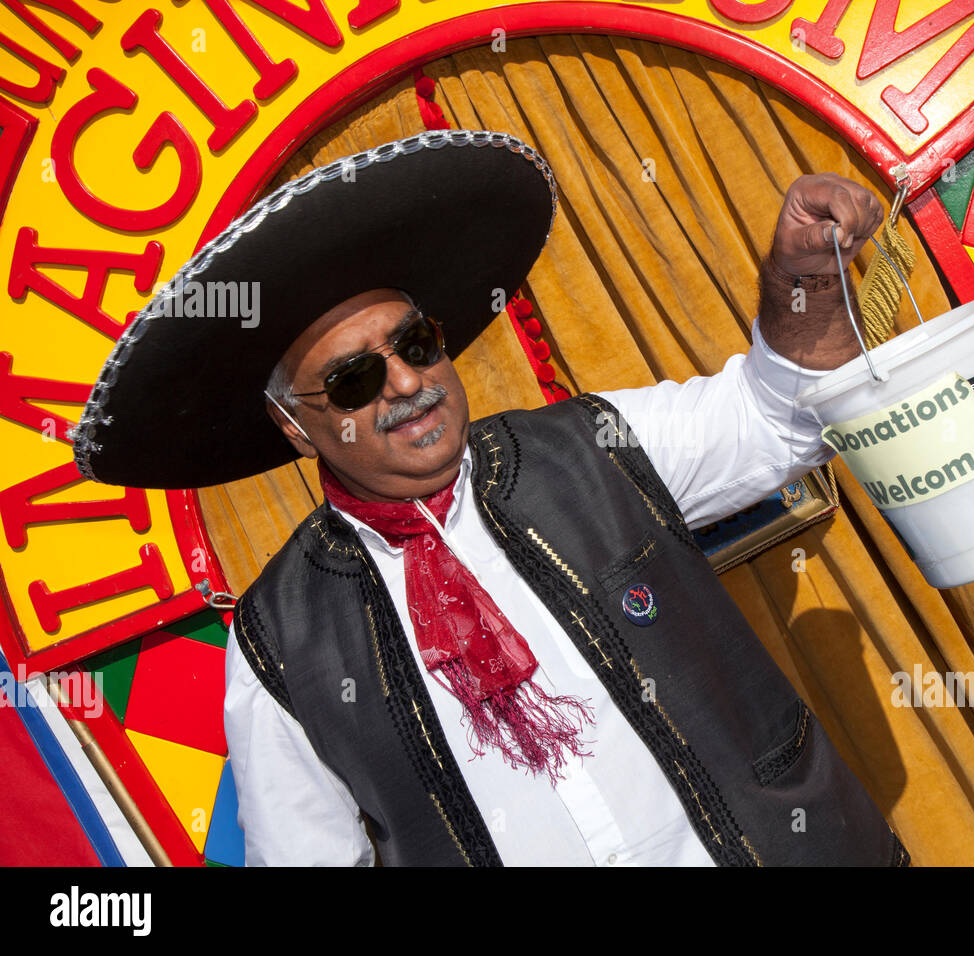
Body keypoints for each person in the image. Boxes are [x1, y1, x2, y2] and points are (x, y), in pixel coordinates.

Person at [71, 128, 908, 867]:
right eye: (356, 378)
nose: (406, 382)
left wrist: (808, 279)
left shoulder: (596, 448)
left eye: (416, 343)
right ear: (296, 426)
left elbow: (782, 416)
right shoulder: (279, 643)